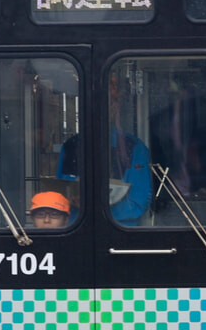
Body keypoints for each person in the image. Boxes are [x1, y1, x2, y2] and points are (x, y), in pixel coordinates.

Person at [57, 77, 151, 225]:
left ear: (115, 108)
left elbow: (139, 202)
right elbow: (60, 195)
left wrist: (95, 208)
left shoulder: (134, 148)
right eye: (91, 105)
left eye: (105, 104)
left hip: (119, 231)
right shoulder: (70, 145)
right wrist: (71, 198)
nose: (97, 111)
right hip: (75, 230)